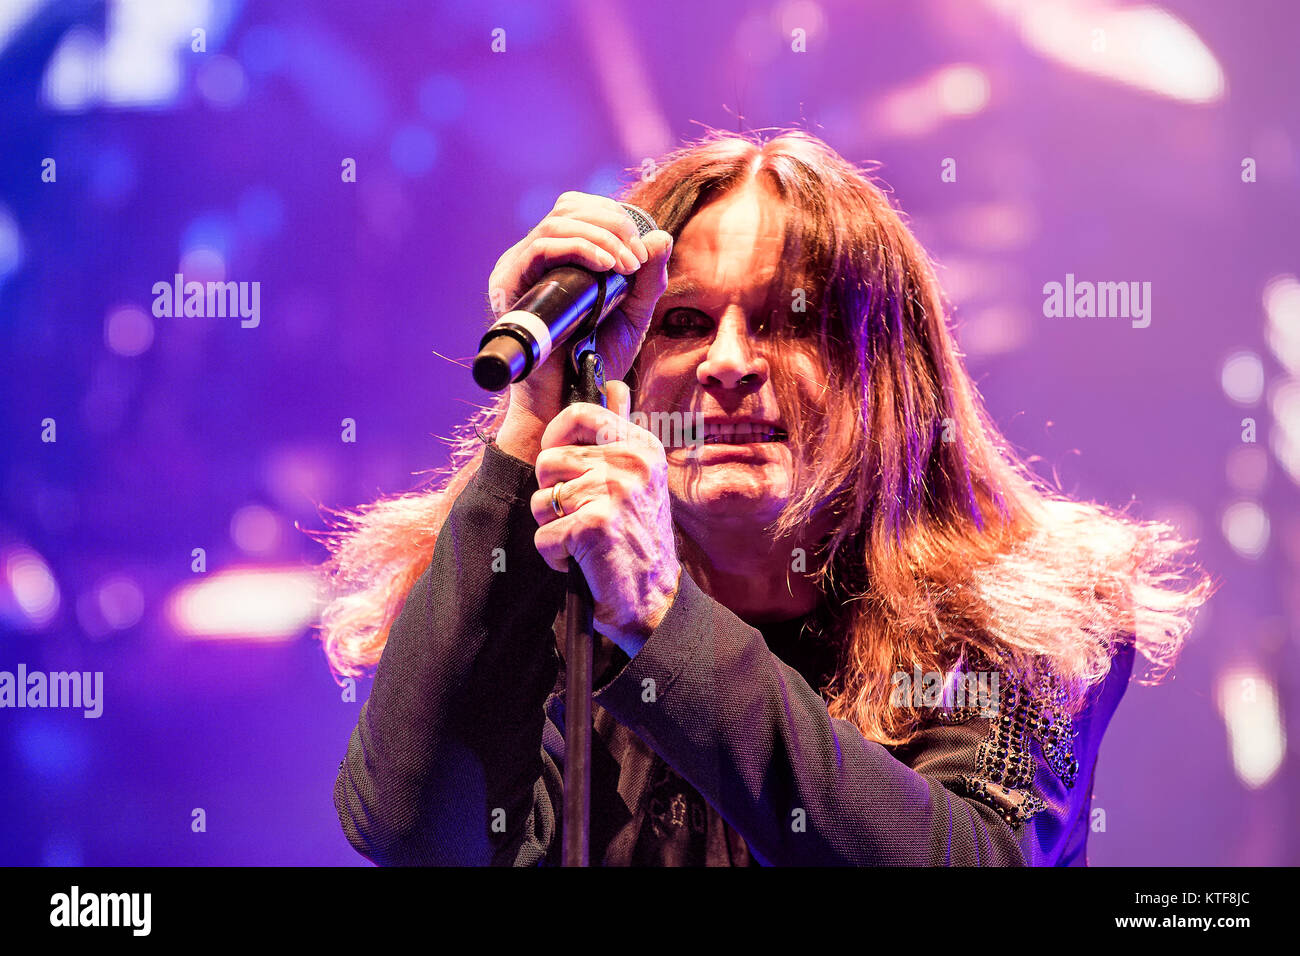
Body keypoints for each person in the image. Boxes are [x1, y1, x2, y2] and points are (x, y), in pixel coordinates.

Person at [312, 129, 1213, 866]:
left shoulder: (1027, 616)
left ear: (889, 376)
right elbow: (416, 829)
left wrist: (662, 620)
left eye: (791, 322)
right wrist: (530, 423)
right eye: (682, 322)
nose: (731, 362)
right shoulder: (527, 588)